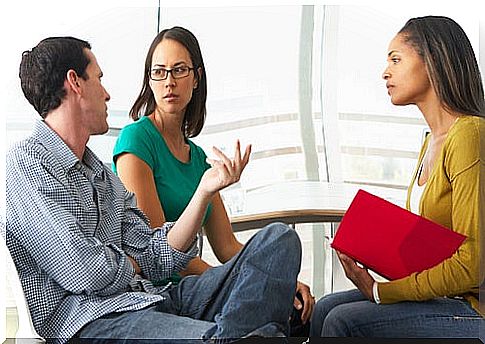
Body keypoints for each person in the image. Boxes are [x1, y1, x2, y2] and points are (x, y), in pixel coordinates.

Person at [5, 36, 303, 343]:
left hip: (152, 299)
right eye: (99, 78)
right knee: (225, 335)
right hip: (93, 320)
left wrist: (203, 192)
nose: (107, 94)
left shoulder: (101, 174)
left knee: (280, 239)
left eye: (180, 71)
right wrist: (133, 265)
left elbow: (153, 254)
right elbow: (84, 270)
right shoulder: (28, 163)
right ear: (75, 82)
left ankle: (244, 337)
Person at [112, 26, 314, 328]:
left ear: (197, 77)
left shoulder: (198, 158)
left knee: (282, 238)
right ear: (149, 80)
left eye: (179, 70)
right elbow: (159, 252)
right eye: (159, 72)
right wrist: (241, 280)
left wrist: (281, 276)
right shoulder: (136, 140)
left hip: (196, 288)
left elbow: (227, 247)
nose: (169, 82)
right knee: (272, 302)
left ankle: (242, 331)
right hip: (158, 292)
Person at [310, 16, 485, 338]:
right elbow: (430, 246)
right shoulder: (430, 141)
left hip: (471, 307)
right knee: (325, 308)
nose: (385, 72)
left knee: (342, 321)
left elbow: (473, 264)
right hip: (444, 296)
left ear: (432, 60)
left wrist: (379, 292)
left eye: (396, 59)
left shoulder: (470, 135)